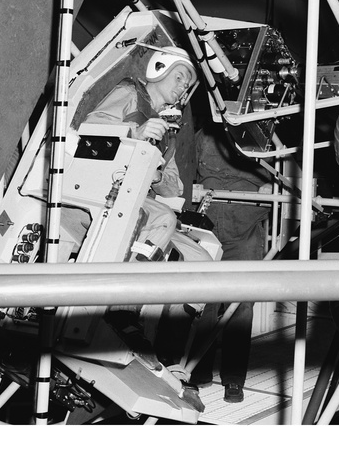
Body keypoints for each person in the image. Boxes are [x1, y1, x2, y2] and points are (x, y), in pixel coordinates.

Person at [83, 44, 197, 261]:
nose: (183, 87)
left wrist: (157, 176)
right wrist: (136, 133)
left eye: (187, 84)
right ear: (159, 69)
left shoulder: (166, 134)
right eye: (179, 78)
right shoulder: (129, 94)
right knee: (164, 218)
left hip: (137, 198)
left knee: (199, 258)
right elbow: (93, 125)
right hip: (105, 187)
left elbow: (174, 189)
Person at [189, 126, 271, 403]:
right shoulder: (204, 136)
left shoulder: (266, 136)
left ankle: (234, 378)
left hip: (245, 227)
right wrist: (191, 187)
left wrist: (274, 188)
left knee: (241, 305)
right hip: (209, 225)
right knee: (203, 302)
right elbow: (186, 171)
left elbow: (287, 174)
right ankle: (198, 371)